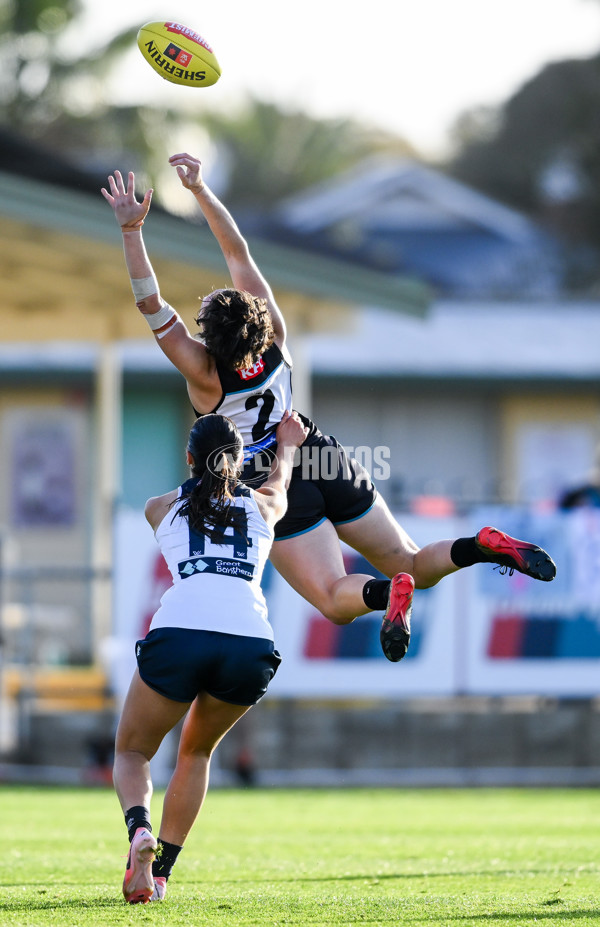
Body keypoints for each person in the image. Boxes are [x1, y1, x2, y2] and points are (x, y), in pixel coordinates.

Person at [101, 156, 556, 665]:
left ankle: (387, 597)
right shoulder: (273, 331)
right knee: (410, 561)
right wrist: (201, 190)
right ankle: (483, 545)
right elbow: (237, 250)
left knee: (334, 598)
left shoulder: (204, 372)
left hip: (268, 476)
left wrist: (131, 231)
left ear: (209, 336)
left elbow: (149, 301)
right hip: (318, 449)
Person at [114, 409, 309, 903]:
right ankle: (160, 875)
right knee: (196, 752)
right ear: (239, 463)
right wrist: (287, 444)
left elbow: (185, 500)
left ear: (188, 457)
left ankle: (140, 830)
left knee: (133, 752)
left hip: (181, 633)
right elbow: (280, 480)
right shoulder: (264, 508)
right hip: (249, 641)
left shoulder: (159, 507)